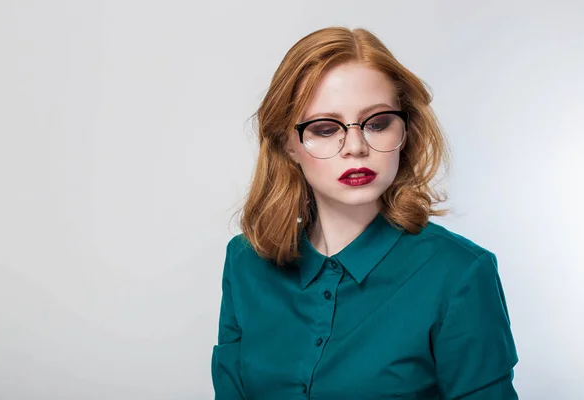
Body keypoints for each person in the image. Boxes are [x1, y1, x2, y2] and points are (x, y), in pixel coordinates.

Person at [211, 26, 519, 399]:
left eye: (377, 124)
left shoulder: (460, 273)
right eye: (325, 129)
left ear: (405, 131)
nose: (355, 147)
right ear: (287, 144)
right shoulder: (245, 263)